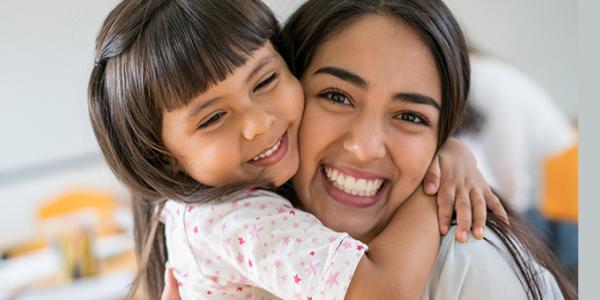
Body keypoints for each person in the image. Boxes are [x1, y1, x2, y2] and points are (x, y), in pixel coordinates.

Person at [88, 0, 503, 299]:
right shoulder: (235, 218)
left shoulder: (233, 198)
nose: (259, 123)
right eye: (213, 118)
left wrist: (447, 148)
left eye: (265, 81)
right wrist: (433, 188)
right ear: (163, 158)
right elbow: (382, 294)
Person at [165, 0, 577, 298]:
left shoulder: (469, 269)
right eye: (336, 96)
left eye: (412, 117)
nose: (364, 148)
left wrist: (433, 182)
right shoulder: (245, 228)